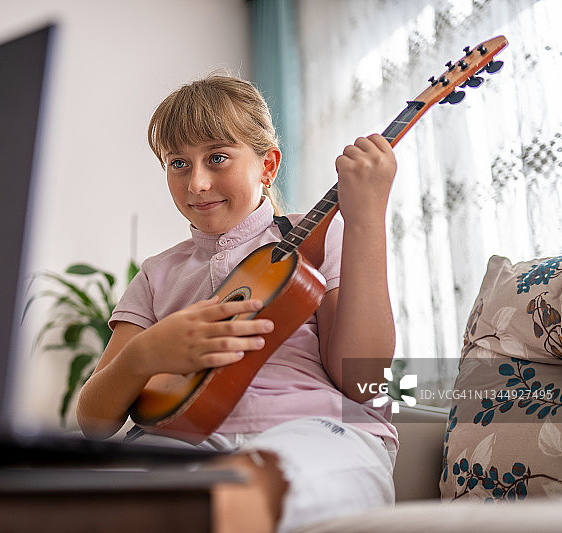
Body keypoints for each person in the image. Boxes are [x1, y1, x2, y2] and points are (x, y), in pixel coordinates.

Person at [76, 74, 398, 533]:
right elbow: (94, 421)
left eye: (218, 157)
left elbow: (361, 378)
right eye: (178, 163)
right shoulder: (156, 274)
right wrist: (145, 354)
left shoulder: (323, 234)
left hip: (314, 430)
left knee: (241, 494)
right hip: (182, 439)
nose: (198, 183)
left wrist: (366, 219)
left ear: (268, 166)